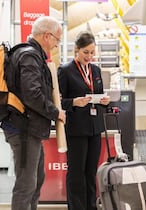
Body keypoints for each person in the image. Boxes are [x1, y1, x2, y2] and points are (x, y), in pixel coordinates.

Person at [0, 16, 66, 210]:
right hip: (23, 129)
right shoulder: (30, 56)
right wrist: (56, 113)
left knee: (36, 179)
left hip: (29, 128)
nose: (56, 45)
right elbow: (32, 95)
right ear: (47, 36)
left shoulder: (29, 54)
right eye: (57, 39)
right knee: (26, 183)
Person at [57, 31, 110, 210]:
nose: (89, 56)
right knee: (76, 173)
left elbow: (98, 94)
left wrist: (104, 102)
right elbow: (57, 102)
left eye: (92, 52)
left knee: (90, 172)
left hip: (94, 128)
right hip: (76, 129)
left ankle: (90, 206)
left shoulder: (95, 70)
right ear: (77, 50)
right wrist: (73, 102)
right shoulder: (65, 71)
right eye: (86, 52)